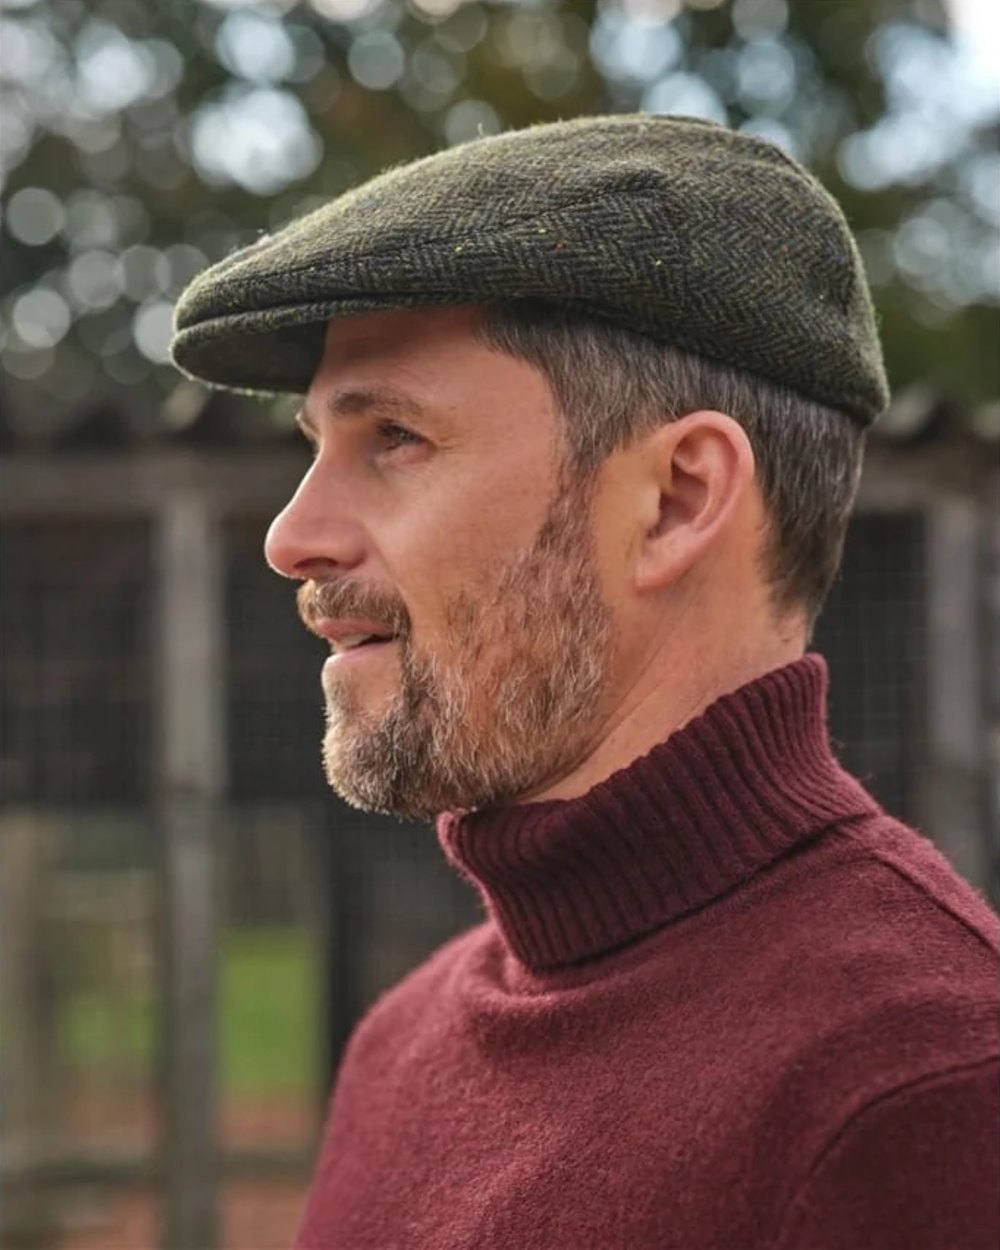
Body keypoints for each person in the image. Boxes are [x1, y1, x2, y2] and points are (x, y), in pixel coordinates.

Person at [172, 116, 998, 1250]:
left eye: (396, 437)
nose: (292, 535)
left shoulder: (925, 1091)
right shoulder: (400, 1047)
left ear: (675, 497)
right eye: (309, 445)